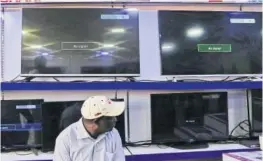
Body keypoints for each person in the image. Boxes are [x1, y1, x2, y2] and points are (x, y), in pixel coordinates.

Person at [53, 96, 126, 161]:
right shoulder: (65, 140)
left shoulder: (114, 134)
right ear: (95, 120)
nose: (115, 119)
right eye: (110, 118)